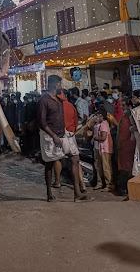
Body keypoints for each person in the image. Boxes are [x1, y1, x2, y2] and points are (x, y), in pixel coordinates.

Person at [38, 75, 92, 203]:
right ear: (55, 84)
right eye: (60, 84)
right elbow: (42, 121)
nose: (61, 86)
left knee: (75, 158)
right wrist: (53, 135)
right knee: (49, 164)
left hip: (63, 135)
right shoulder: (44, 100)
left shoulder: (58, 100)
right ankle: (49, 193)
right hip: (51, 136)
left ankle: (77, 193)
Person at [52, 90, 88, 194]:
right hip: (70, 135)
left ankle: (57, 181)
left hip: (59, 135)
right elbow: (76, 121)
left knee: (57, 158)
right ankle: (82, 184)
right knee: (75, 160)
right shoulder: (70, 106)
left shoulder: (54, 106)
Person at [116, 97, 136, 195]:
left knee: (125, 168)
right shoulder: (131, 116)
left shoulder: (126, 118)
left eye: (124, 105)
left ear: (129, 106)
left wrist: (119, 145)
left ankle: (125, 189)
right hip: (130, 146)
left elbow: (123, 135)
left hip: (125, 147)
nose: (122, 107)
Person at [93, 107, 114, 192]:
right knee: (98, 166)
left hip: (105, 148)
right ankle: (100, 182)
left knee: (106, 167)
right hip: (98, 147)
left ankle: (109, 184)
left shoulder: (104, 124)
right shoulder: (97, 124)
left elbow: (103, 137)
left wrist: (95, 138)